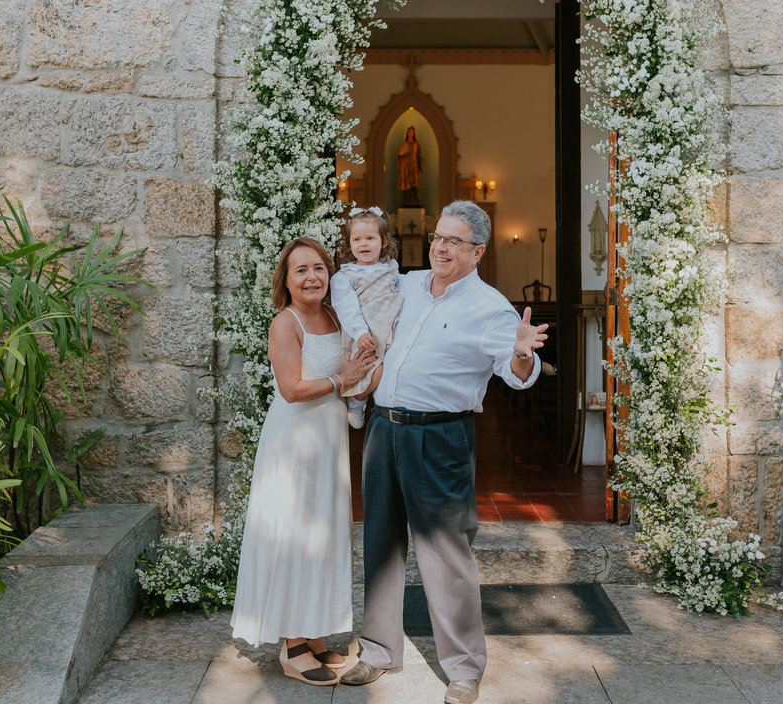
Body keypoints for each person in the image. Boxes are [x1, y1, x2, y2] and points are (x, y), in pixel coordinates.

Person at [340, 200, 548, 704]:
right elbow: (356, 291)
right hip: (384, 431)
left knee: (446, 553)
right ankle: (378, 651)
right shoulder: (406, 283)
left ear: (477, 251)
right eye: (437, 237)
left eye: (454, 241)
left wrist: (522, 353)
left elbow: (518, 374)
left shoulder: (490, 307)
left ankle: (462, 668)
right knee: (381, 543)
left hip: (440, 437)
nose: (440, 247)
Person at [229, 237, 378, 686]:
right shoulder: (285, 323)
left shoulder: (334, 316)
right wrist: (341, 377)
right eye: (301, 270)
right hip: (294, 442)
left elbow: (351, 374)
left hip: (329, 438)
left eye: (319, 267)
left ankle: (315, 634)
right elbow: (292, 389)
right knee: (295, 535)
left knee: (324, 536)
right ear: (287, 280)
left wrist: (365, 375)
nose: (312, 277)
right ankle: (292, 644)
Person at [329, 205, 404, 429]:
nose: (363, 244)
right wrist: (360, 332)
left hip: (387, 326)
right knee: (374, 371)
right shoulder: (345, 276)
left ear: (383, 242)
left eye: (370, 238)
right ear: (349, 244)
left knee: (391, 369)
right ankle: (357, 401)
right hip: (366, 331)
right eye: (357, 239)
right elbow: (346, 307)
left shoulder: (390, 268)